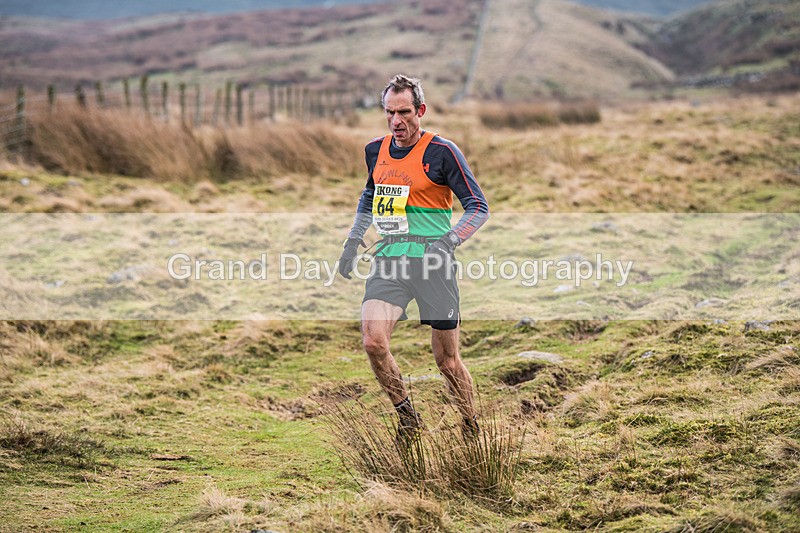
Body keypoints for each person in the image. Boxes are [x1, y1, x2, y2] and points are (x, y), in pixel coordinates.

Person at [338, 74, 489, 442]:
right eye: (389, 113)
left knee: (447, 361)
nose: (396, 121)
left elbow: (477, 206)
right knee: (373, 341)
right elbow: (370, 194)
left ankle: (471, 425)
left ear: (420, 110)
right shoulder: (375, 150)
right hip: (390, 258)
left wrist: (450, 240)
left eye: (404, 112)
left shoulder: (442, 152)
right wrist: (354, 238)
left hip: (434, 262)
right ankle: (408, 418)